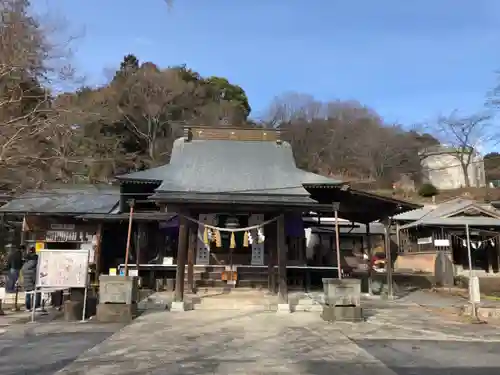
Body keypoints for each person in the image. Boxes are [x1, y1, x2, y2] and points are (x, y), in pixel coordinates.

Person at [20, 246, 41, 311]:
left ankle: (28, 307)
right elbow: (34, 276)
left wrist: (21, 282)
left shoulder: (24, 266)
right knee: (37, 293)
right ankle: (36, 306)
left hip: (26, 282)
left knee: (28, 294)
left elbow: (21, 274)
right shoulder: (35, 265)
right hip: (33, 282)